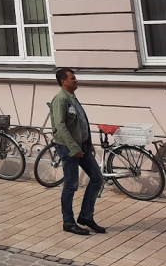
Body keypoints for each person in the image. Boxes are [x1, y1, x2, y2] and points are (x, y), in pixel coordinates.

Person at [51, 68, 106, 235]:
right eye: (73, 78)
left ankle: (86, 217)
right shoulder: (60, 99)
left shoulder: (72, 98)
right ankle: (68, 222)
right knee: (71, 185)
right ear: (64, 82)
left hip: (82, 147)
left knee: (97, 178)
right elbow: (60, 126)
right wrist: (73, 148)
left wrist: (86, 144)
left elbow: (80, 122)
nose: (76, 80)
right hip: (69, 148)